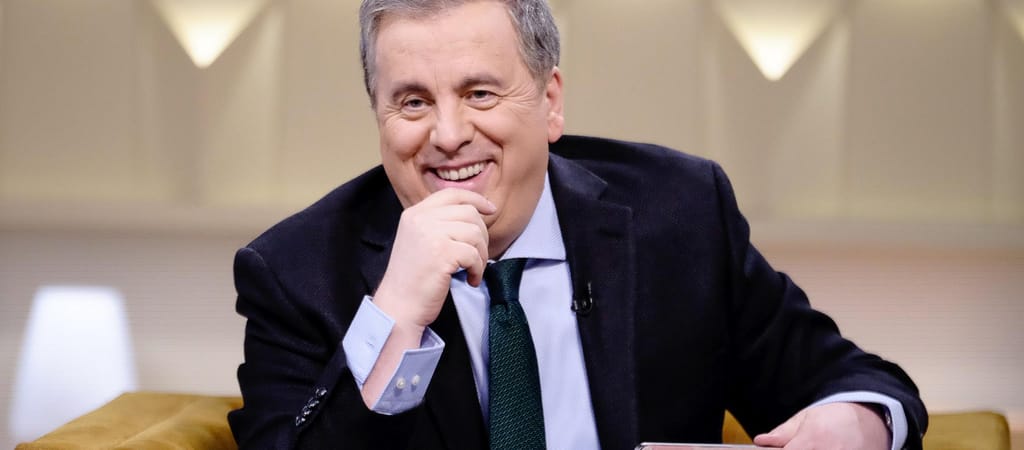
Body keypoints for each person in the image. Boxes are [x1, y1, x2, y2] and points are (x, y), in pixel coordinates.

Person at [228, 0, 927, 448]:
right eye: (412, 102)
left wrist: (858, 424)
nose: (447, 134)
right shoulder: (295, 272)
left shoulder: (680, 213)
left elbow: (856, 382)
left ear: (551, 102)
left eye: (480, 93)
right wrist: (396, 314)